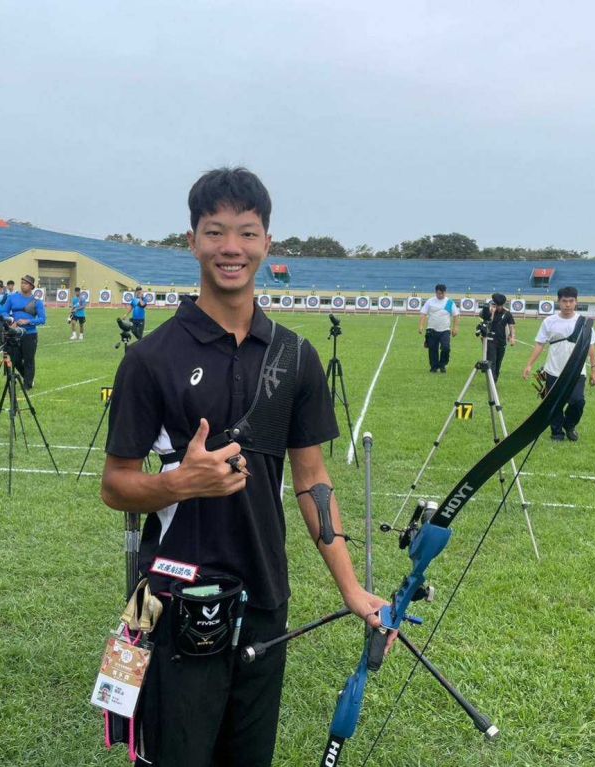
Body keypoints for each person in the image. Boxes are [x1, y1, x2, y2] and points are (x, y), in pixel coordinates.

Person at [100, 167, 389, 767]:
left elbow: (312, 479)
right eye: (215, 232)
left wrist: (351, 588)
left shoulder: (295, 356)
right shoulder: (151, 359)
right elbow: (116, 485)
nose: (231, 248)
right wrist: (184, 481)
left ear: (267, 243)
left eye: (247, 233)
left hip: (264, 596)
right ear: (192, 241)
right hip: (176, 598)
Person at [522, 286, 595, 441]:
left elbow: (590, 346)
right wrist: (529, 365)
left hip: (577, 371)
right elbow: (540, 344)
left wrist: (594, 369)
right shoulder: (549, 321)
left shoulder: (584, 323)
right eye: (564, 301)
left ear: (576, 302)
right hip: (553, 370)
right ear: (559, 301)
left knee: (578, 401)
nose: (568, 304)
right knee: (554, 403)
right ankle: (557, 432)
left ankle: (569, 425)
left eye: (571, 301)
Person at [0, 275, 46, 389]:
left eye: (26, 283)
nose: (23, 285)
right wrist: (11, 320)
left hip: (30, 334)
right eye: (22, 282)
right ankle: (28, 378)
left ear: (31, 287)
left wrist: (28, 321)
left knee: (29, 360)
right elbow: (3, 312)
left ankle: (27, 385)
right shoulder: (12, 298)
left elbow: (42, 319)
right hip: (15, 333)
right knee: (15, 359)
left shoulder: (37, 302)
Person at [417, 283, 460, 373]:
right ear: (435, 292)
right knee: (432, 349)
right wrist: (421, 326)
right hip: (431, 329)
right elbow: (423, 314)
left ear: (445, 292)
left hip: (445, 330)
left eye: (442, 293)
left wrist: (455, 328)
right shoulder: (430, 301)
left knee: (446, 347)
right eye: (438, 293)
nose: (440, 295)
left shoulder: (449, 302)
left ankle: (442, 365)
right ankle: (434, 367)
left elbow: (456, 316)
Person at [478, 292, 515, 380]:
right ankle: (492, 382)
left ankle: (494, 379)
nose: (498, 307)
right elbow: (488, 322)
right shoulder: (487, 312)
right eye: (496, 305)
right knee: (492, 361)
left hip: (501, 341)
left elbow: (511, 326)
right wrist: (492, 313)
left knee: (498, 362)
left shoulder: (507, 313)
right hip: (490, 340)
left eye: (499, 305)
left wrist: (512, 337)